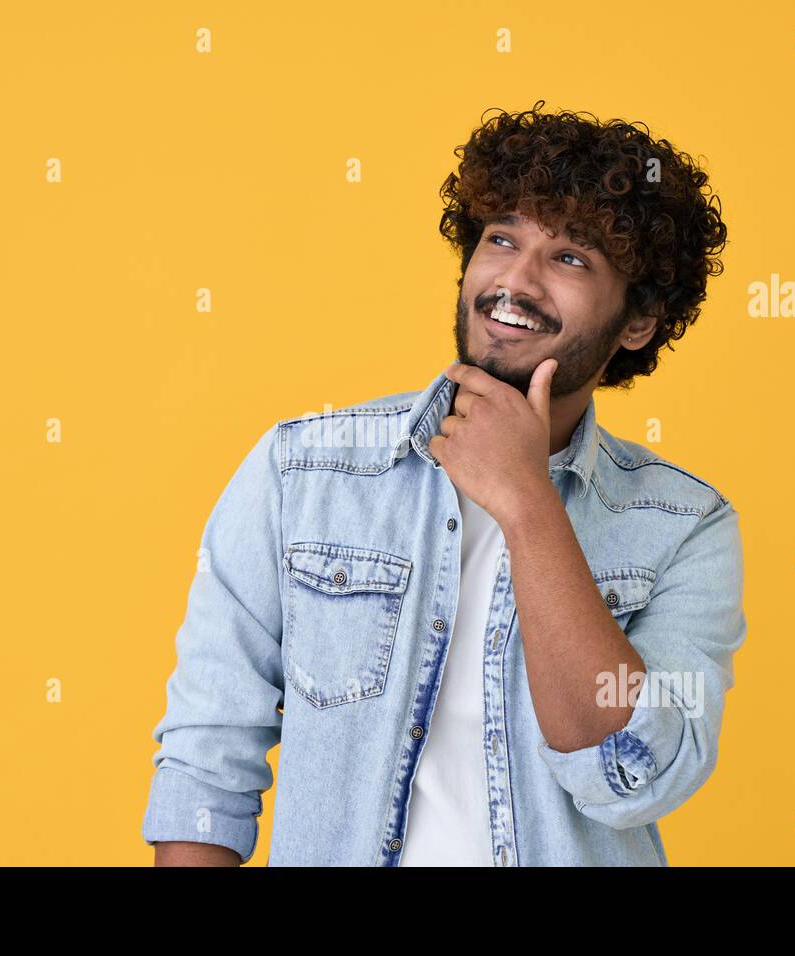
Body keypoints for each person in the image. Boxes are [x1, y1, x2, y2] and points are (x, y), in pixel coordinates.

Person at [142, 100, 745, 866]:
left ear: (638, 322)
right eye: (502, 239)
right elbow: (207, 758)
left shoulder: (684, 523)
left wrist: (528, 505)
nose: (515, 281)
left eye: (570, 258)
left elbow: (633, 774)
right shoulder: (303, 472)